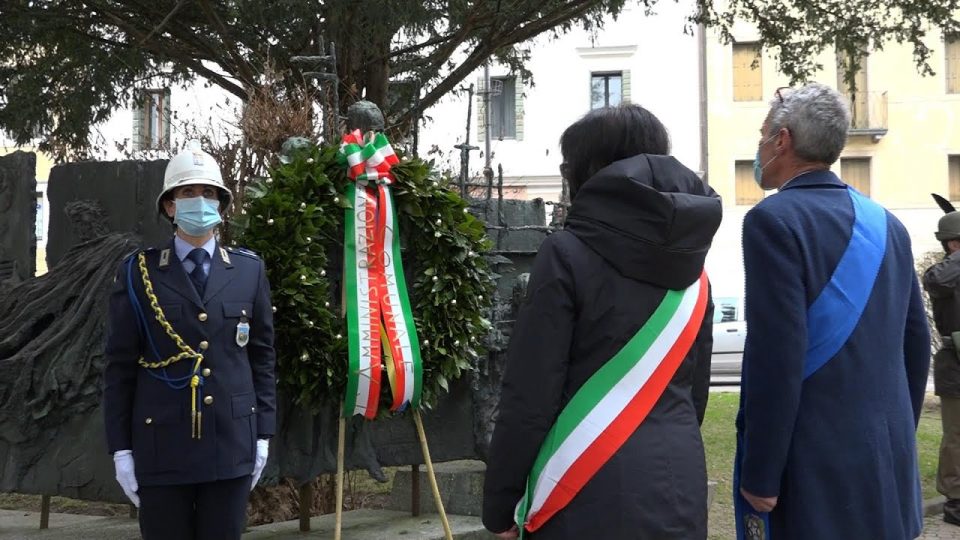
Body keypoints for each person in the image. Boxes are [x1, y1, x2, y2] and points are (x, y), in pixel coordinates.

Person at [482, 105, 721, 539]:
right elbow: (695, 394)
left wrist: (501, 505)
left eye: (568, 165)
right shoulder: (695, 269)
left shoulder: (566, 253)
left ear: (591, 170)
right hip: (677, 478)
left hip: (582, 485)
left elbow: (530, 394)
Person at [735, 83, 929, 540]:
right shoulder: (889, 225)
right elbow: (916, 344)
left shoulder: (773, 220)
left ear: (782, 140)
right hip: (887, 461)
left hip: (815, 465)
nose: (759, 147)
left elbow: (776, 356)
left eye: (762, 135)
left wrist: (761, 473)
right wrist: (896, 437)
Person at [102, 140, 276, 540]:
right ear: (169, 206)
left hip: (231, 444)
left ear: (221, 205)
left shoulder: (249, 271)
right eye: (188, 192)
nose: (200, 201)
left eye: (209, 193)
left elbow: (262, 357)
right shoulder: (138, 272)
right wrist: (121, 450)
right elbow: (119, 365)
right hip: (162, 445)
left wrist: (263, 433)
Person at [923, 209, 960, 526]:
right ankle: (955, 502)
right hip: (955, 365)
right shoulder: (943, 273)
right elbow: (935, 282)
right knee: (956, 438)